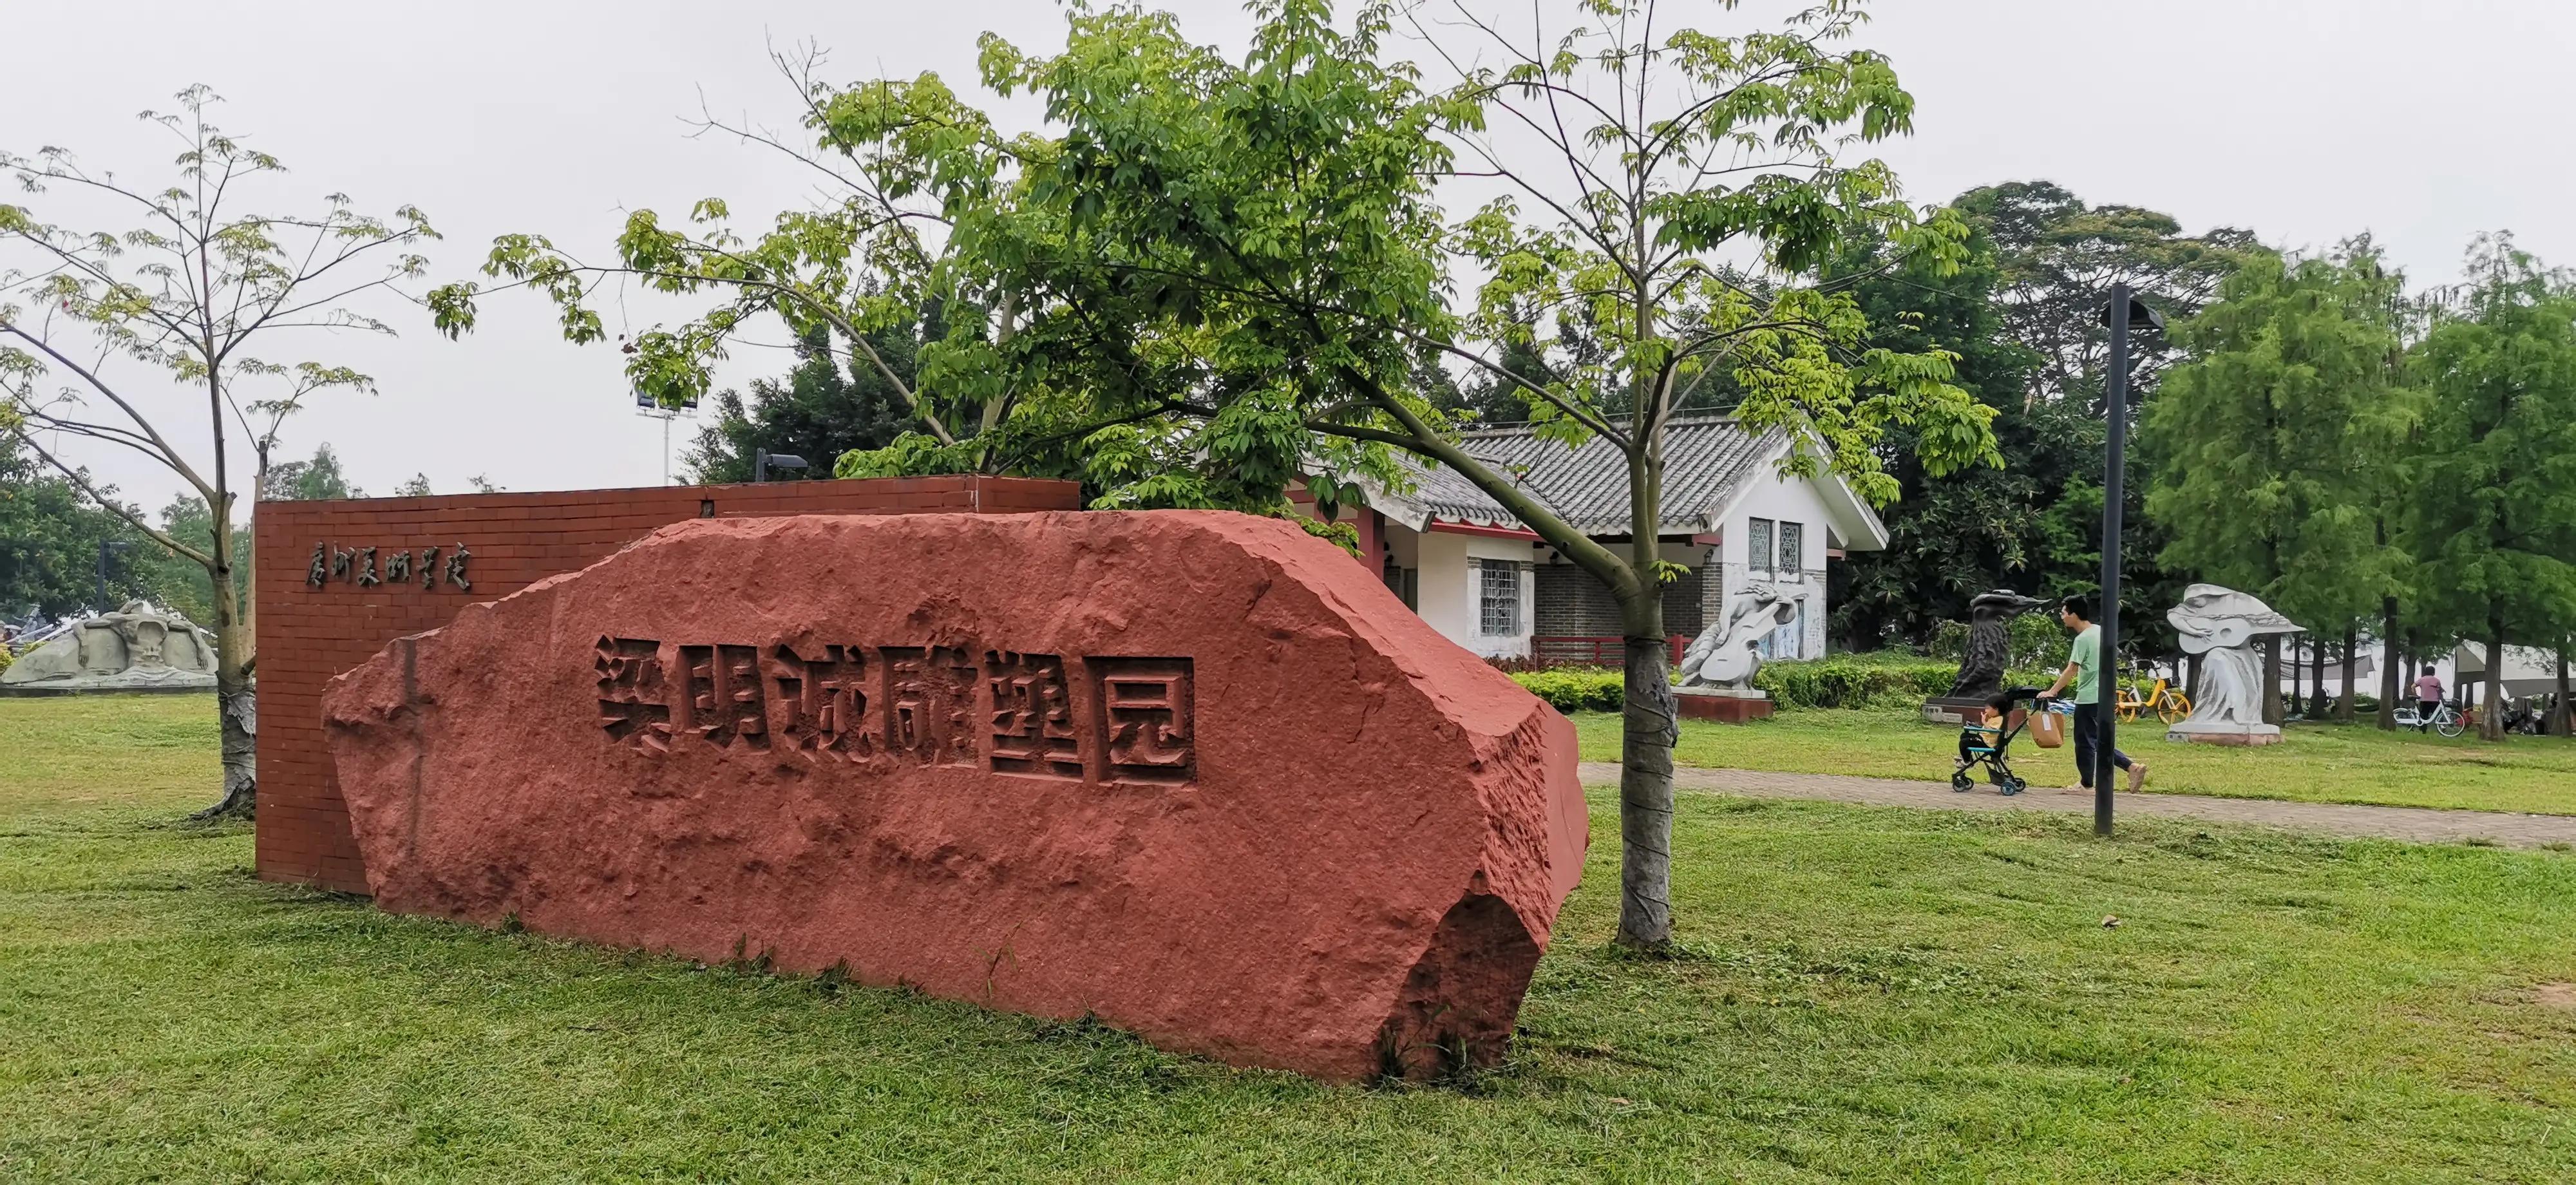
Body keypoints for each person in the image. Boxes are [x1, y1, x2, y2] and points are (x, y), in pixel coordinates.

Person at [2038, 596, 2147, 793]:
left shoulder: (2083, 639)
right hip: (2105, 696)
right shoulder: (2101, 632)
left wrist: (2052, 692)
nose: (2062, 617)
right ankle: (2130, 768)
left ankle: (2089, 783)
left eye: (2064, 613)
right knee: (2098, 739)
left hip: (2089, 697)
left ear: (2074, 615)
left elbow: (2072, 669)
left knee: (2085, 743)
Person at [2412, 665, 2445, 732]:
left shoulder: (2421, 679)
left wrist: (2416, 695)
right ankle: (2442, 727)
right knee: (2439, 715)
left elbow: (2412, 686)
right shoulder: (2437, 680)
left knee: (2424, 716)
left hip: (2424, 701)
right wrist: (2441, 698)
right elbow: (2439, 691)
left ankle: (2423, 731)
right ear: (2434, 673)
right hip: (2435, 701)